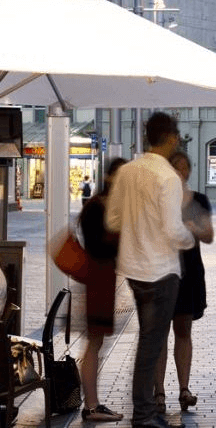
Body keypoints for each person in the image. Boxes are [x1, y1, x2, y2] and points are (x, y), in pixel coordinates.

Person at [106, 112, 198, 428]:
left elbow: (113, 221)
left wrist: (139, 226)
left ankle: (144, 410)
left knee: (148, 341)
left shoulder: (127, 171)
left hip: (133, 270)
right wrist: (190, 235)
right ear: (171, 138)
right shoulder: (168, 177)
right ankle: (143, 415)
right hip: (161, 271)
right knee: (151, 344)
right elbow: (174, 231)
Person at [154, 151, 214, 413]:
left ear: (189, 171)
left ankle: (184, 389)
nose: (180, 172)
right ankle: (159, 394)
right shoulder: (158, 201)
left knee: (183, 332)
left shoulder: (198, 200)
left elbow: (209, 235)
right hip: (160, 272)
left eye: (183, 168)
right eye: (174, 168)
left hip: (189, 273)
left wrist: (192, 227)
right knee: (158, 335)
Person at [79, 158, 127, 423]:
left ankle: (92, 403)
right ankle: (91, 405)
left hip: (101, 279)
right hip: (98, 280)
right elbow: (100, 246)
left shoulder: (102, 206)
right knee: (94, 342)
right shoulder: (99, 207)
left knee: (96, 343)